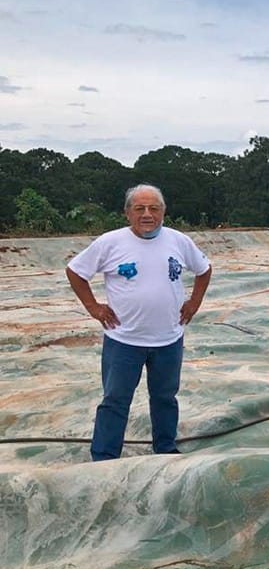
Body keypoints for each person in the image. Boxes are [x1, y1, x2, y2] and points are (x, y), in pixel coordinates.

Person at [65, 184, 212, 461]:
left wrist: (194, 302)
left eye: (154, 208)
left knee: (165, 397)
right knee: (115, 400)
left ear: (163, 212)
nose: (147, 214)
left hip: (168, 339)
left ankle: (165, 448)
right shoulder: (110, 242)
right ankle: (105, 456)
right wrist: (93, 307)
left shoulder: (178, 241)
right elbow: (75, 271)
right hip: (124, 340)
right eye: (139, 208)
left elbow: (204, 269)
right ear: (127, 212)